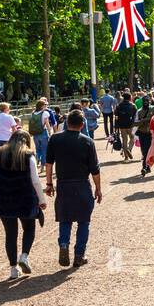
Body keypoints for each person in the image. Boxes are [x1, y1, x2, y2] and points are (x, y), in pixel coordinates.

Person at [46, 109, 103, 268]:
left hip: (63, 184)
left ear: (66, 122)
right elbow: (95, 170)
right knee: (84, 221)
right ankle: (79, 255)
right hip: (82, 184)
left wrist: (49, 184)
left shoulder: (55, 139)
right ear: (82, 124)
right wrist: (98, 189)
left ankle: (64, 244)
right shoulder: (87, 142)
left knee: (65, 219)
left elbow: (49, 164)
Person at [0, 130, 46, 279]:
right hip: (24, 198)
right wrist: (42, 200)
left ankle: (13, 268)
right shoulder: (28, 155)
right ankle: (24, 256)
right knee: (29, 228)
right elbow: (35, 180)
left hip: (4, 198)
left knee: (10, 234)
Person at [114, 91, 137, 160]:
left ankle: (126, 157)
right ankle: (129, 149)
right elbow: (136, 115)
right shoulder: (133, 105)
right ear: (130, 98)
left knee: (124, 139)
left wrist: (116, 125)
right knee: (132, 138)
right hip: (130, 124)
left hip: (121, 124)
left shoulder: (119, 105)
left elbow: (116, 115)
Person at [30, 98, 52, 169]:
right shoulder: (45, 113)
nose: (46, 106)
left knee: (38, 148)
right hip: (43, 132)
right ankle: (42, 165)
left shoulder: (33, 113)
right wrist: (50, 132)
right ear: (42, 106)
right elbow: (47, 124)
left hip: (35, 133)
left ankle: (37, 159)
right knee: (44, 149)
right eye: (45, 105)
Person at [135, 97, 154, 178]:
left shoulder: (153, 109)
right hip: (142, 133)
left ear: (149, 101)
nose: (146, 102)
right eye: (144, 101)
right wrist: (141, 122)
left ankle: (145, 167)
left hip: (151, 134)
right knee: (144, 151)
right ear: (142, 102)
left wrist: (146, 120)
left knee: (148, 151)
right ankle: (147, 167)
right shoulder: (139, 111)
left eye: (147, 101)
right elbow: (135, 123)